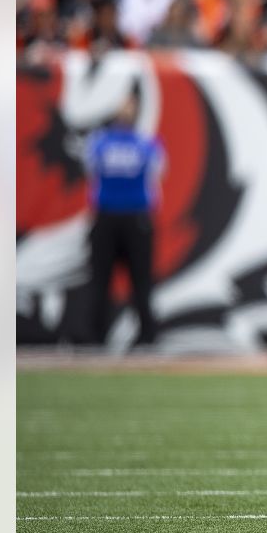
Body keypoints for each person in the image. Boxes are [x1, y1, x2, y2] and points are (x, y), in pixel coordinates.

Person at [83, 91, 165, 347]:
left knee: (111, 280)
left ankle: (102, 336)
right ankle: (139, 335)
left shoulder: (99, 144)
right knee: (131, 280)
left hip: (113, 216)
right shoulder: (146, 145)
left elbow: (90, 173)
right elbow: (157, 177)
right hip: (131, 218)